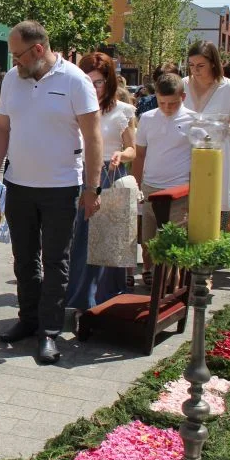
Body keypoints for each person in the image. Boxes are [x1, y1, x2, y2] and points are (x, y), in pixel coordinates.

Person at [0, 20, 102, 365]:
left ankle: (49, 332)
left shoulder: (75, 81)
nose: (13, 62)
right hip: (19, 184)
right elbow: (2, 129)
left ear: (38, 50)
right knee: (23, 259)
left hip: (62, 187)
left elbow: (94, 137)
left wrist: (92, 187)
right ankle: (28, 319)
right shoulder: (12, 80)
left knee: (55, 261)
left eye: (18, 55)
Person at [66, 52, 136, 310]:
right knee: (80, 241)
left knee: (108, 244)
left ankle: (106, 299)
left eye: (99, 82)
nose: (94, 88)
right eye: (88, 81)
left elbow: (133, 150)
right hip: (79, 174)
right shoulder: (74, 108)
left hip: (110, 175)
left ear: (109, 82)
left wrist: (121, 154)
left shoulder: (123, 110)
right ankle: (79, 298)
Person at [133, 73, 195, 287]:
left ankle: (171, 282)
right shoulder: (148, 118)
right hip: (150, 186)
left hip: (179, 189)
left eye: (173, 103)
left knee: (173, 239)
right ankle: (149, 270)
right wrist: (137, 184)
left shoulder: (194, 120)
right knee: (149, 238)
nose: (168, 108)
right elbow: (140, 154)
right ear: (156, 98)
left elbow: (198, 157)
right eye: (162, 103)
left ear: (183, 97)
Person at [183, 42, 230, 218]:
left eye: (200, 65)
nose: (195, 70)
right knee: (185, 207)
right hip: (186, 152)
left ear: (213, 63)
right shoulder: (182, 85)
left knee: (214, 207)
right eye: (191, 65)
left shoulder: (229, 88)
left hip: (218, 152)